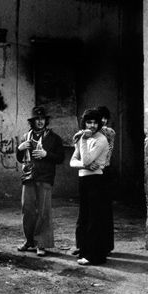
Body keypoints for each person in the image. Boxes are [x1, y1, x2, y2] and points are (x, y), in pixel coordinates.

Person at [15, 106, 65, 257]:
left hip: (45, 178)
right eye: (37, 119)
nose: (40, 122)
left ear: (46, 121)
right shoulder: (25, 137)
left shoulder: (54, 138)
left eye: (42, 119)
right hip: (28, 177)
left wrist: (46, 154)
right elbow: (19, 158)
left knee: (43, 211)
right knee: (27, 209)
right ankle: (29, 241)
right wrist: (19, 148)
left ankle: (41, 243)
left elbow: (60, 158)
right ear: (32, 121)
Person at [70, 105, 116, 256]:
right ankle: (82, 245)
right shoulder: (85, 134)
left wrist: (83, 135)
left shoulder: (107, 133)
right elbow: (76, 159)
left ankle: (103, 246)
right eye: (90, 121)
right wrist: (85, 163)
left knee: (101, 213)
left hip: (102, 170)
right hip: (87, 171)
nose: (96, 123)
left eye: (101, 119)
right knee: (85, 213)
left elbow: (98, 155)